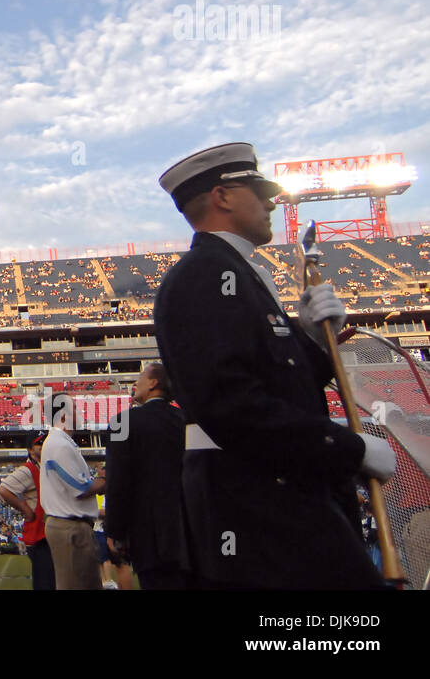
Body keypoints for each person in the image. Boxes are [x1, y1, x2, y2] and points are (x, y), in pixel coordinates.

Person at [155, 142, 395, 589]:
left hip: (278, 501)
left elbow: (280, 383)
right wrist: (349, 450)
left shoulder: (235, 272)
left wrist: (308, 336)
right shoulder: (204, 275)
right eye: (259, 189)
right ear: (223, 196)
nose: (270, 201)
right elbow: (230, 404)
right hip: (260, 511)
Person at [105, 362, 188, 589]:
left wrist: (115, 531)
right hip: (189, 533)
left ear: (153, 383)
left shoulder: (124, 422)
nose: (136, 382)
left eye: (141, 376)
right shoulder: (185, 420)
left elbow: (117, 482)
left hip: (148, 535)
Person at [39, 393, 105, 590]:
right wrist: (106, 478)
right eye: (74, 409)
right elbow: (82, 489)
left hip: (69, 527)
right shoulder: (59, 445)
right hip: (70, 529)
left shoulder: (60, 443)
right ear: (63, 417)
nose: (79, 412)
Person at [0, 434, 54, 590]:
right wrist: (25, 509)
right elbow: (4, 490)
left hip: (48, 534)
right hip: (39, 537)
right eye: (38, 444)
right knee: (46, 583)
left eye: (45, 443)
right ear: (30, 449)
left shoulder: (44, 466)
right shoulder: (28, 470)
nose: (43, 446)